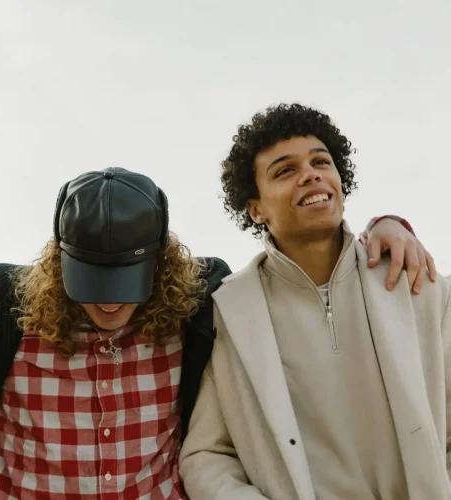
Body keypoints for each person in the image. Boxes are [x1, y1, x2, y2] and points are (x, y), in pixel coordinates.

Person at [0, 166, 430, 499]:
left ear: (162, 262)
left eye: (124, 280)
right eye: (91, 279)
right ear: (59, 263)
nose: (107, 300)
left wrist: (385, 225)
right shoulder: (2, 302)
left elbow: (297, 282)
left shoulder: (200, 301)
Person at [179, 103, 448, 499]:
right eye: (285, 170)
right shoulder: (230, 314)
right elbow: (206, 454)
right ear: (255, 209)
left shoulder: (417, 285)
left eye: (321, 161)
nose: (310, 174)